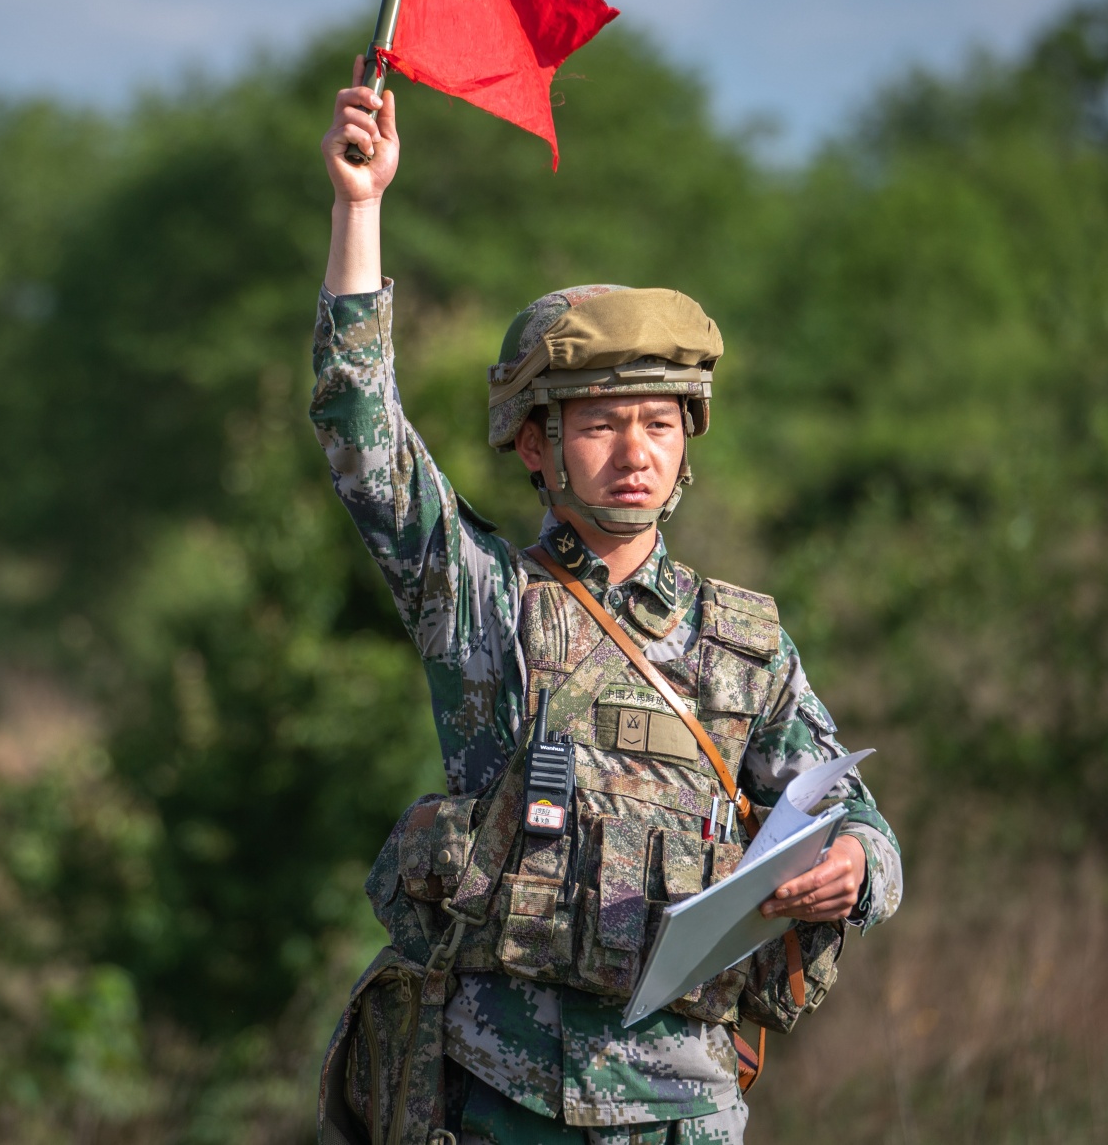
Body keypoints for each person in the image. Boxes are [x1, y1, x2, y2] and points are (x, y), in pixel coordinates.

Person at [309, 62, 903, 1145]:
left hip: (684, 1110)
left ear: (687, 446)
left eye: (659, 423)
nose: (634, 451)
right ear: (536, 446)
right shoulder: (485, 608)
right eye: (598, 423)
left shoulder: (745, 646)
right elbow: (363, 437)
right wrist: (360, 207)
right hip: (500, 1103)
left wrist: (852, 866)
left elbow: (861, 824)